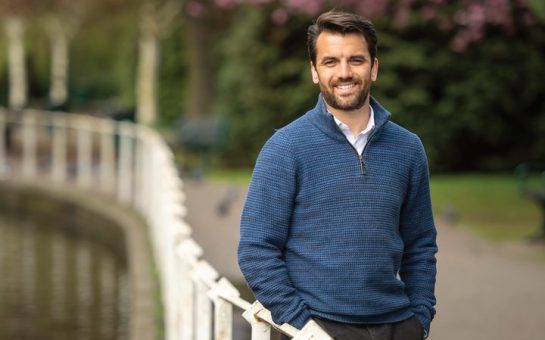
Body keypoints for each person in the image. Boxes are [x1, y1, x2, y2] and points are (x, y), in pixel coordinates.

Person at [238, 10, 437, 340]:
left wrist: (419, 318)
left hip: (397, 326)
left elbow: (420, 246)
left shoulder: (408, 148)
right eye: (330, 62)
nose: (344, 73)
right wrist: (301, 325)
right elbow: (256, 251)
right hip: (315, 327)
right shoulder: (285, 147)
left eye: (355, 60)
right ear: (314, 72)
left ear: (374, 67)